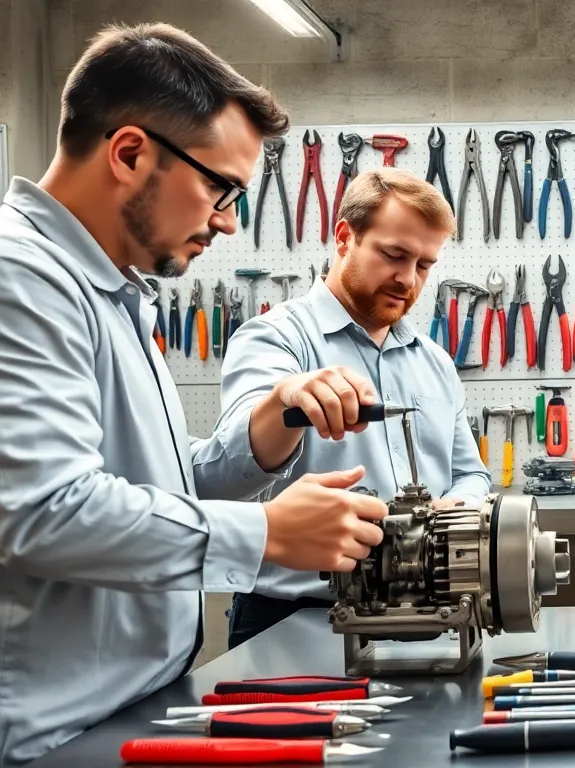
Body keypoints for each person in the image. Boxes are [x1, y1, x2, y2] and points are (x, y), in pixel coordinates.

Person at [0, 24, 391, 767]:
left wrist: (273, 425)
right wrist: (267, 534)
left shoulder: (114, 292)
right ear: (129, 153)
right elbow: (43, 512)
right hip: (50, 736)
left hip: (126, 712)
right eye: (220, 187)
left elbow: (150, 485)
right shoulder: (21, 278)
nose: (229, 220)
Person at [220, 168, 492, 649]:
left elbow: (470, 474)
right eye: (394, 255)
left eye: (424, 265)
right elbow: (232, 463)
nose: (408, 279)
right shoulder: (275, 338)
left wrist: (460, 507)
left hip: (418, 620)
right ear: (345, 237)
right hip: (293, 623)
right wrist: (287, 397)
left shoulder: (435, 362)